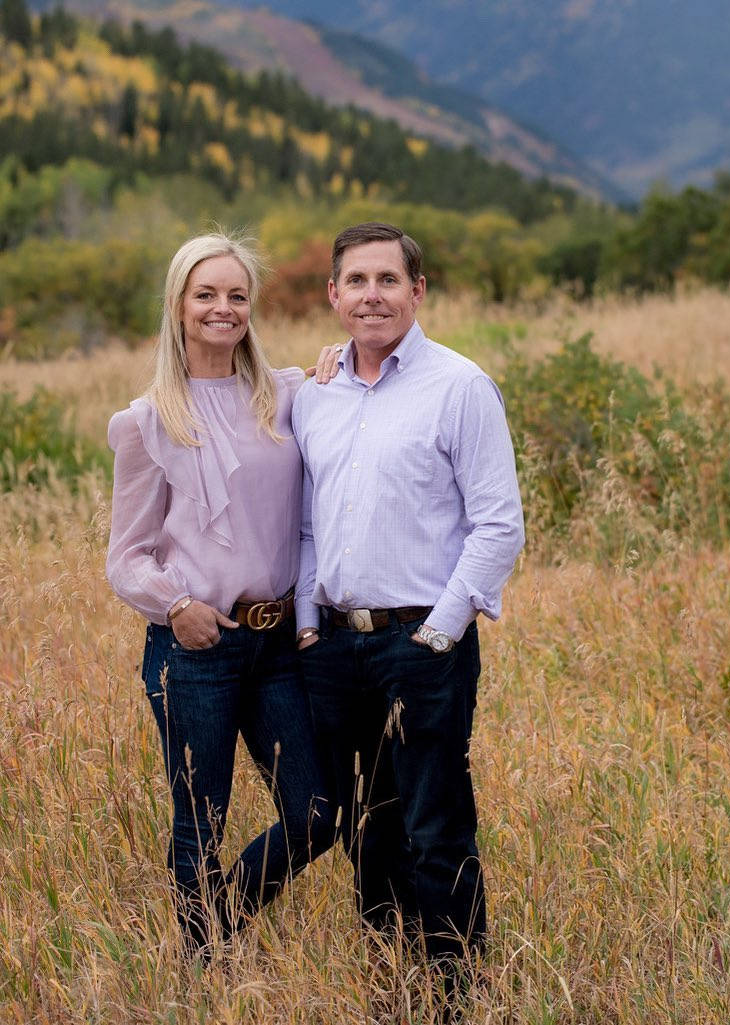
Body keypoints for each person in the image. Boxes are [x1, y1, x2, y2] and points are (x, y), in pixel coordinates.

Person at [293, 222, 525, 978]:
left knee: (435, 826)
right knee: (367, 828)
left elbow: (498, 525)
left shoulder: (460, 386)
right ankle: (391, 981)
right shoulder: (314, 395)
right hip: (332, 646)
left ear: (417, 291)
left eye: (387, 280)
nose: (371, 296)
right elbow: (304, 523)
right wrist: (303, 623)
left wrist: (442, 630)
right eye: (355, 281)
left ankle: (455, 987)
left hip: (423, 640)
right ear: (333, 295)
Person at [106, 233, 336, 958]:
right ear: (178, 305)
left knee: (316, 813)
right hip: (195, 649)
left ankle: (221, 921)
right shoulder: (147, 422)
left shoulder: (289, 394)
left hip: (276, 645)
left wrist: (342, 363)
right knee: (197, 820)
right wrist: (175, 605)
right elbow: (126, 557)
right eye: (206, 294)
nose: (223, 308)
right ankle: (206, 963)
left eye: (236, 294)